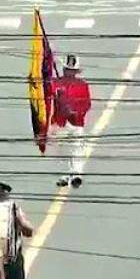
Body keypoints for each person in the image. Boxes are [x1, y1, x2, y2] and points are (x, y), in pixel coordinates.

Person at [52, 55, 92, 188]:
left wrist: (76, 112)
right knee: (62, 150)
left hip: (76, 122)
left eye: (71, 70)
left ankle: (76, 175)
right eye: (67, 69)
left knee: (77, 148)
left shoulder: (83, 85)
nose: (69, 72)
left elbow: (87, 104)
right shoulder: (55, 83)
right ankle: (66, 174)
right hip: (60, 122)